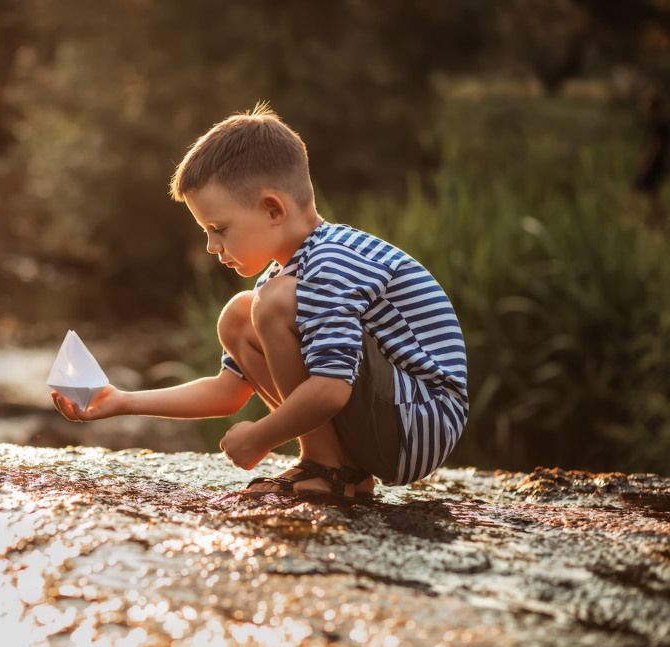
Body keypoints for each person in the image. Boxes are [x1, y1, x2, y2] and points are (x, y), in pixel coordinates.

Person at [51, 103, 468, 500]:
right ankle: (344, 471)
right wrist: (122, 400)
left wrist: (260, 437)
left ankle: (327, 468)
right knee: (237, 316)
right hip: (391, 421)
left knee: (269, 302)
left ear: (272, 209)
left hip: (420, 419)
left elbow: (330, 391)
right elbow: (228, 392)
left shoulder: (329, 263)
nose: (212, 246)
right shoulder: (286, 275)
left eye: (219, 228)